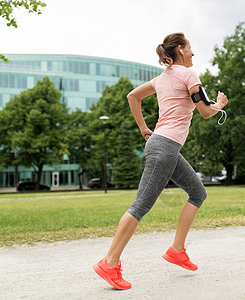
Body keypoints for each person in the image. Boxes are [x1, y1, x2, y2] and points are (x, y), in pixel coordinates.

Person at [93, 32, 228, 290]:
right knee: (140, 205)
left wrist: (144, 128)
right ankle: (109, 263)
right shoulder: (189, 75)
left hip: (166, 147)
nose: (192, 53)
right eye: (190, 48)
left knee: (197, 193)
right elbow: (205, 112)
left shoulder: (161, 79)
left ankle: (177, 250)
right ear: (179, 49)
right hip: (165, 147)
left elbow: (133, 96)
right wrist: (220, 104)